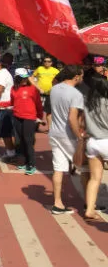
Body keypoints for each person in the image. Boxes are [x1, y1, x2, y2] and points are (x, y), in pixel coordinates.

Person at [49, 65, 87, 214]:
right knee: (86, 168)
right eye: (81, 75)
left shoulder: (54, 89)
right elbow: (72, 118)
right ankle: (89, 203)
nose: (82, 78)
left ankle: (57, 203)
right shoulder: (75, 94)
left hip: (55, 133)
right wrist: (80, 136)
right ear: (76, 76)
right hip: (69, 135)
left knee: (58, 168)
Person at [83, 58, 108, 221]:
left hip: (92, 142)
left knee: (94, 178)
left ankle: (90, 210)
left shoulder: (87, 101)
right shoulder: (106, 101)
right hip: (107, 139)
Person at [10, 68, 44, 175]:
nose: (24, 80)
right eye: (22, 78)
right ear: (17, 78)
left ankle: (31, 164)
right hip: (17, 117)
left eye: (25, 78)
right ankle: (25, 162)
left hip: (29, 118)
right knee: (20, 141)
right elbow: (12, 102)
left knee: (28, 141)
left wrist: (39, 117)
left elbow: (38, 104)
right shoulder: (13, 89)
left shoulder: (33, 89)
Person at [34, 56, 60, 131]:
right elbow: (32, 78)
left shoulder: (55, 71)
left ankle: (50, 128)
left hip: (50, 94)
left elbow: (60, 80)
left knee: (49, 111)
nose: (46, 63)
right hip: (40, 93)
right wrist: (37, 87)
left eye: (48, 61)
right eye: (45, 61)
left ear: (51, 63)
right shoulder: (39, 69)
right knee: (38, 110)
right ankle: (36, 127)